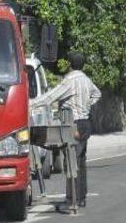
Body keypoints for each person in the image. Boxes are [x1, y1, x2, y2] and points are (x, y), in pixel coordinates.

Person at [30, 52, 101, 211]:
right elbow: (98, 94)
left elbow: (50, 97)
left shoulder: (70, 80)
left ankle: (72, 199)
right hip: (85, 123)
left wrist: (30, 104)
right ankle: (81, 197)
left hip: (73, 124)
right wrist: (88, 105)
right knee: (81, 162)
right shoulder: (86, 80)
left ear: (70, 64)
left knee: (71, 162)